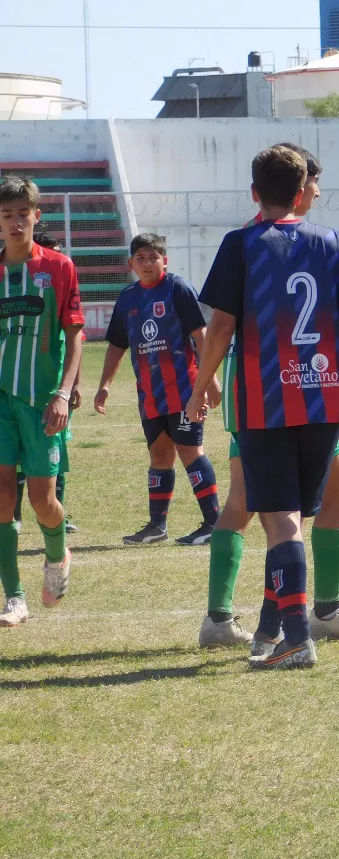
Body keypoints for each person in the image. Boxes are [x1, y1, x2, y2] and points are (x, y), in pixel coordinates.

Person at [187, 145, 339, 670]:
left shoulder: (241, 245)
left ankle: (296, 638)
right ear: (301, 192)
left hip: (263, 404)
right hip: (323, 398)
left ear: (254, 193)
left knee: (280, 523)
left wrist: (202, 384)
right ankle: (270, 631)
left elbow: (221, 327)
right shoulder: (333, 241)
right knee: (291, 515)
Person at [94, 233, 221, 545]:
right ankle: (157, 526)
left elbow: (200, 336)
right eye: (141, 258)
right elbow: (116, 346)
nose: (148, 263)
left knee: (190, 452)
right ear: (131, 264)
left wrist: (209, 383)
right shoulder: (127, 299)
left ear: (165, 260)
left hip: (184, 391)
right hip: (150, 396)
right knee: (160, 454)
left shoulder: (178, 288)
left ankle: (214, 524)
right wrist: (104, 386)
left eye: (154, 257)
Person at [0, 178, 83, 628]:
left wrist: (63, 393)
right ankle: (14, 597)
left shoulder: (59, 267)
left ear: (37, 215)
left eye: (22, 213)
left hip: (40, 400)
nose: (15, 222)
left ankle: (57, 556)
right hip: (0, 402)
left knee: (42, 499)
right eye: (6, 214)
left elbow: (74, 336)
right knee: (1, 497)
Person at [12, 223, 80, 534]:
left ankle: (58, 518)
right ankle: (15, 515)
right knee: (16, 465)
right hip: (19, 392)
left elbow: (73, 339)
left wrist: (71, 387)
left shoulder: (60, 281)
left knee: (56, 456)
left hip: (52, 389)